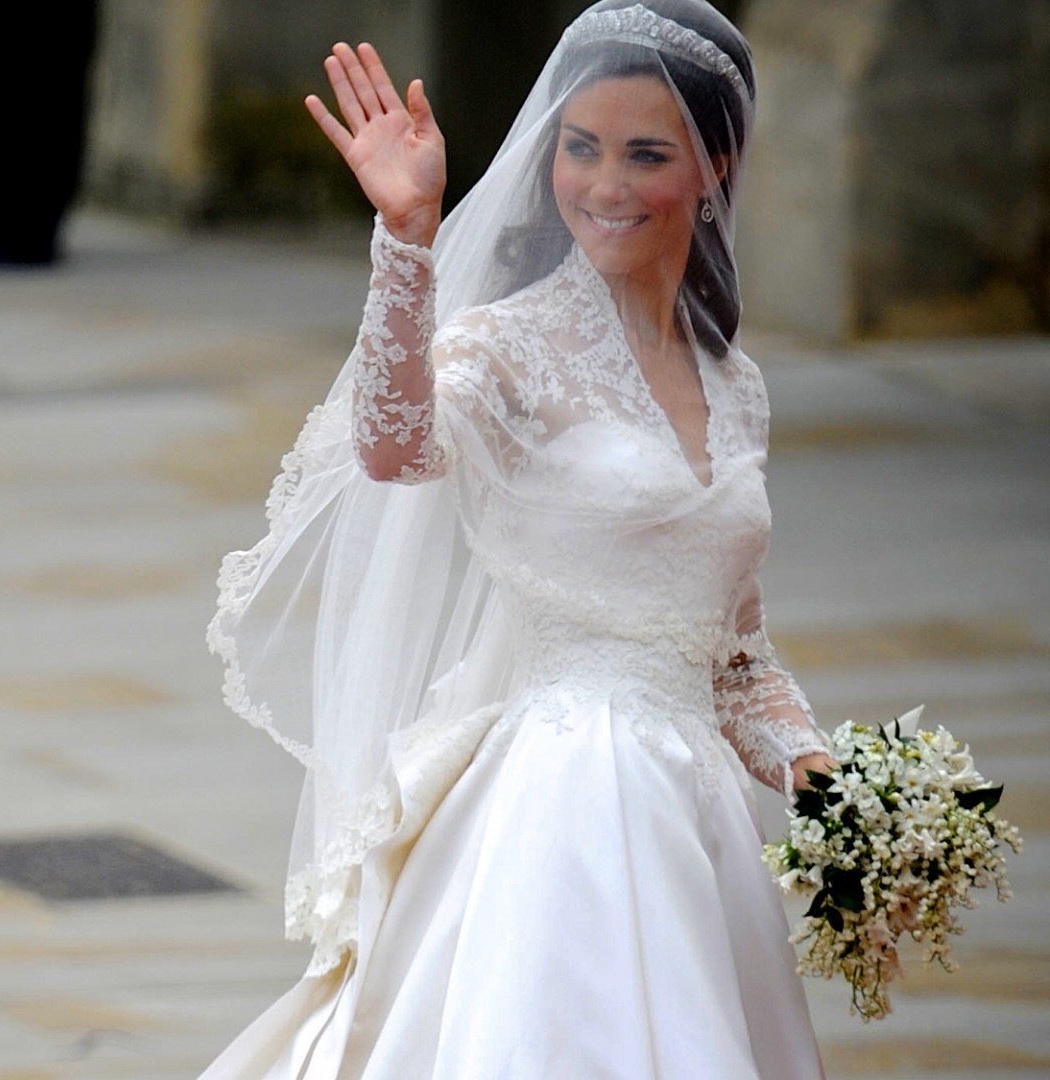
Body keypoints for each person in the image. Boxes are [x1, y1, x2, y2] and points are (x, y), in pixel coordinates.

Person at [200, 2, 838, 1076]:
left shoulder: (738, 386)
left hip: (701, 830)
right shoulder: (511, 346)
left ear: (717, 166)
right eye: (580, 149)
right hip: (564, 798)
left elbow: (732, 657)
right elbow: (397, 446)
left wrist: (838, 784)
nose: (603, 186)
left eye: (646, 154)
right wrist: (406, 241)